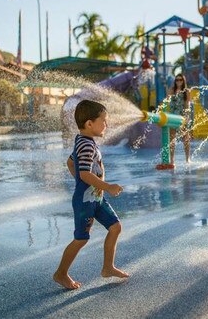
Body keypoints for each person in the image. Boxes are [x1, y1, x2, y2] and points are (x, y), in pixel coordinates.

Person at [53, 99, 129, 290]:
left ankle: (108, 267)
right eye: (103, 120)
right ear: (89, 123)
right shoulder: (86, 145)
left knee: (115, 227)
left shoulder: (85, 141)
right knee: (81, 238)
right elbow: (85, 173)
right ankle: (60, 273)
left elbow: (71, 163)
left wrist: (83, 181)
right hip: (85, 201)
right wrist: (107, 185)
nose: (107, 125)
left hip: (96, 198)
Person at [168, 74, 192, 163]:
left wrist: (186, 117)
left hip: (182, 116)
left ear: (183, 81)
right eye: (177, 80)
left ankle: (187, 158)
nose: (179, 81)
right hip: (173, 116)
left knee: (186, 138)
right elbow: (167, 102)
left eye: (180, 80)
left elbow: (187, 105)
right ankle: (172, 160)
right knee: (172, 138)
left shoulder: (186, 91)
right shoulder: (171, 90)